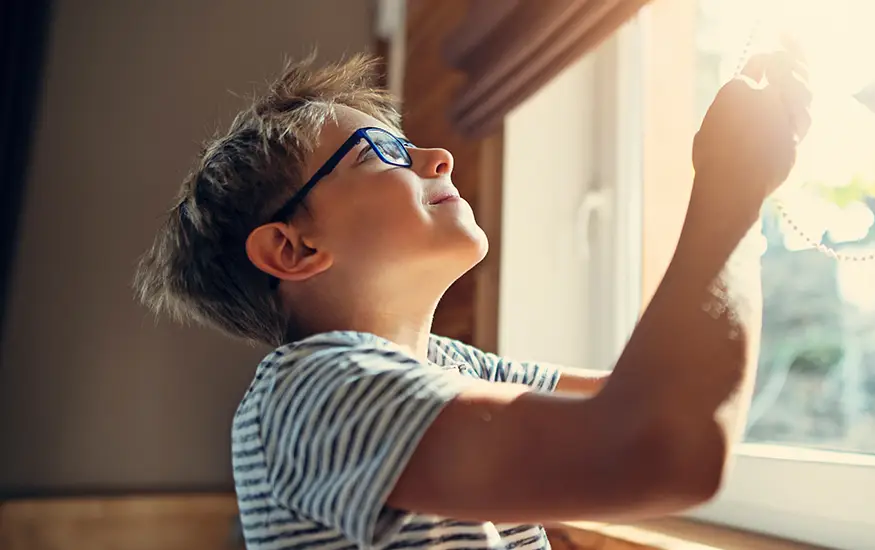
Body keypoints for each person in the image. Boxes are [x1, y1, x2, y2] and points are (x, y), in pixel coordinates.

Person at [133, 50, 810, 550]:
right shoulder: (308, 391)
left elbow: (659, 398)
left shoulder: (454, 367)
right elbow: (663, 445)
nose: (437, 159)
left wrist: (746, 173)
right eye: (381, 155)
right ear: (295, 249)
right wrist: (730, 188)